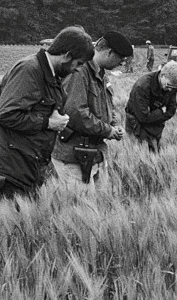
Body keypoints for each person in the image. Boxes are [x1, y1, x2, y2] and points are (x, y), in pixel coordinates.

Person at [0, 26, 94, 198]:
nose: (77, 69)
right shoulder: (29, 70)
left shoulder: (52, 76)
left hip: (27, 170)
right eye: (79, 63)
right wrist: (48, 122)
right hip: (9, 172)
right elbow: (6, 115)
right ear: (67, 55)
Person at [51, 32, 133, 186]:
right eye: (120, 60)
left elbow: (107, 105)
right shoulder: (79, 71)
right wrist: (108, 131)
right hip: (74, 156)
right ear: (109, 52)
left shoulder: (101, 74)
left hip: (95, 152)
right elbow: (75, 113)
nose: (121, 64)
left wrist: (114, 124)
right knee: (78, 206)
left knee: (100, 204)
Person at [125, 60, 177, 153]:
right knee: (138, 155)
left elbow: (171, 110)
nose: (170, 89)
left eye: (173, 87)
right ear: (163, 75)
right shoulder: (142, 86)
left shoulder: (172, 86)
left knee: (155, 155)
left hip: (156, 128)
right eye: (168, 85)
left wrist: (153, 113)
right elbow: (143, 117)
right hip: (136, 125)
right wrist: (161, 111)